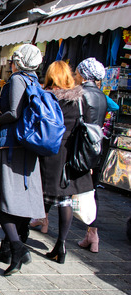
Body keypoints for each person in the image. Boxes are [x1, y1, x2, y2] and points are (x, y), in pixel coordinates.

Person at [0, 44, 45, 276]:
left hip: (9, 145)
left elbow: (12, 113)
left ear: (19, 62)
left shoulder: (18, 80)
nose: (11, 63)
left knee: (1, 199)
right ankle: (6, 249)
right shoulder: (35, 81)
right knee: (21, 200)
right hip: (29, 146)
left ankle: (18, 247)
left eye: (13, 59)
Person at [40, 61, 94, 264]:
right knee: (65, 200)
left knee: (43, 195)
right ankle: (61, 244)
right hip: (71, 154)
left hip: (51, 153)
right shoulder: (80, 99)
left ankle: (20, 237)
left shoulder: (47, 97)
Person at [74, 57, 107, 253]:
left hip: (79, 146)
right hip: (96, 147)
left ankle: (46, 222)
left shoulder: (80, 93)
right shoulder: (102, 96)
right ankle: (92, 234)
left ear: (84, 74)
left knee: (68, 186)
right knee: (91, 190)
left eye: (78, 71)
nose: (76, 75)